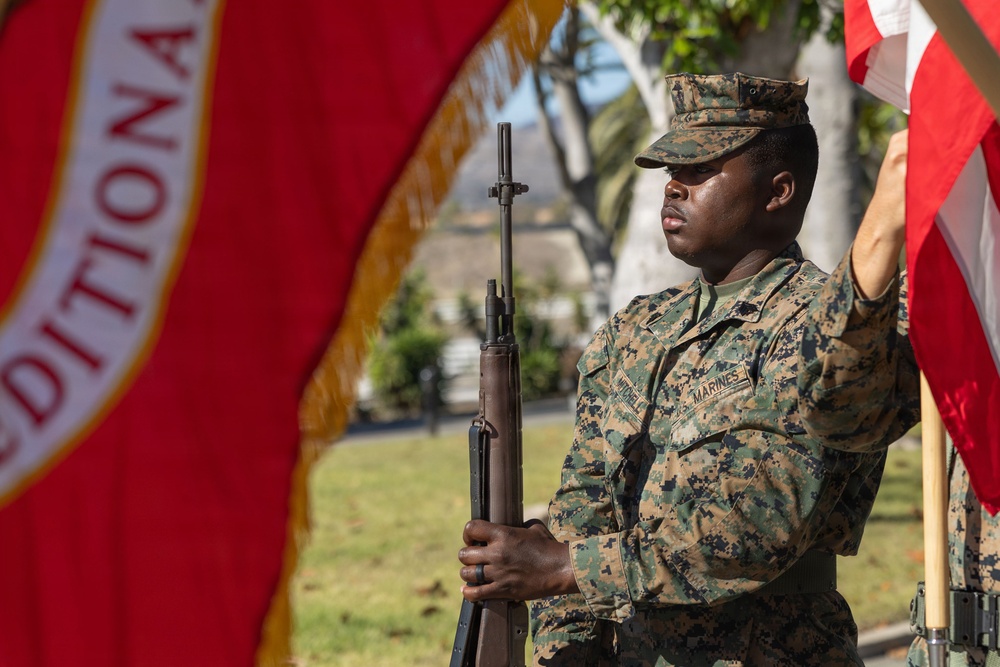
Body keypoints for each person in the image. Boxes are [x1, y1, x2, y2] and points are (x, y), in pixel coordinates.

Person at [456, 72, 920, 666]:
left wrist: (568, 568)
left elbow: (758, 526)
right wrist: (567, 649)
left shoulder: (830, 331)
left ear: (778, 191)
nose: (674, 186)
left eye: (701, 170)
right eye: (673, 170)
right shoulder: (636, 330)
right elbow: (580, 511)